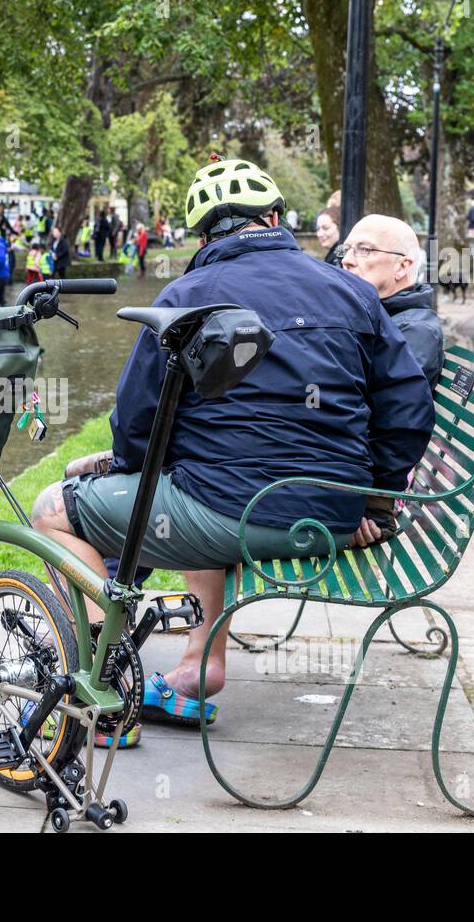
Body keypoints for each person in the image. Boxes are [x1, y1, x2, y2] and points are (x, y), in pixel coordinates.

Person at [33, 156, 434, 737]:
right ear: (274, 217)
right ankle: (202, 665)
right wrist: (375, 497)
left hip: (237, 514)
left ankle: (104, 682)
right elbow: (406, 409)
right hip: (334, 514)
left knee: (54, 509)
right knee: (199, 491)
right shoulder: (351, 291)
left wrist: (127, 470)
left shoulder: (188, 292)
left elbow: (138, 422)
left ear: (204, 234)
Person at [340, 214, 442, 384]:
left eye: (365, 250)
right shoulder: (375, 315)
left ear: (402, 266)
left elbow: (391, 403)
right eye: (345, 250)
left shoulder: (415, 330)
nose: (346, 260)